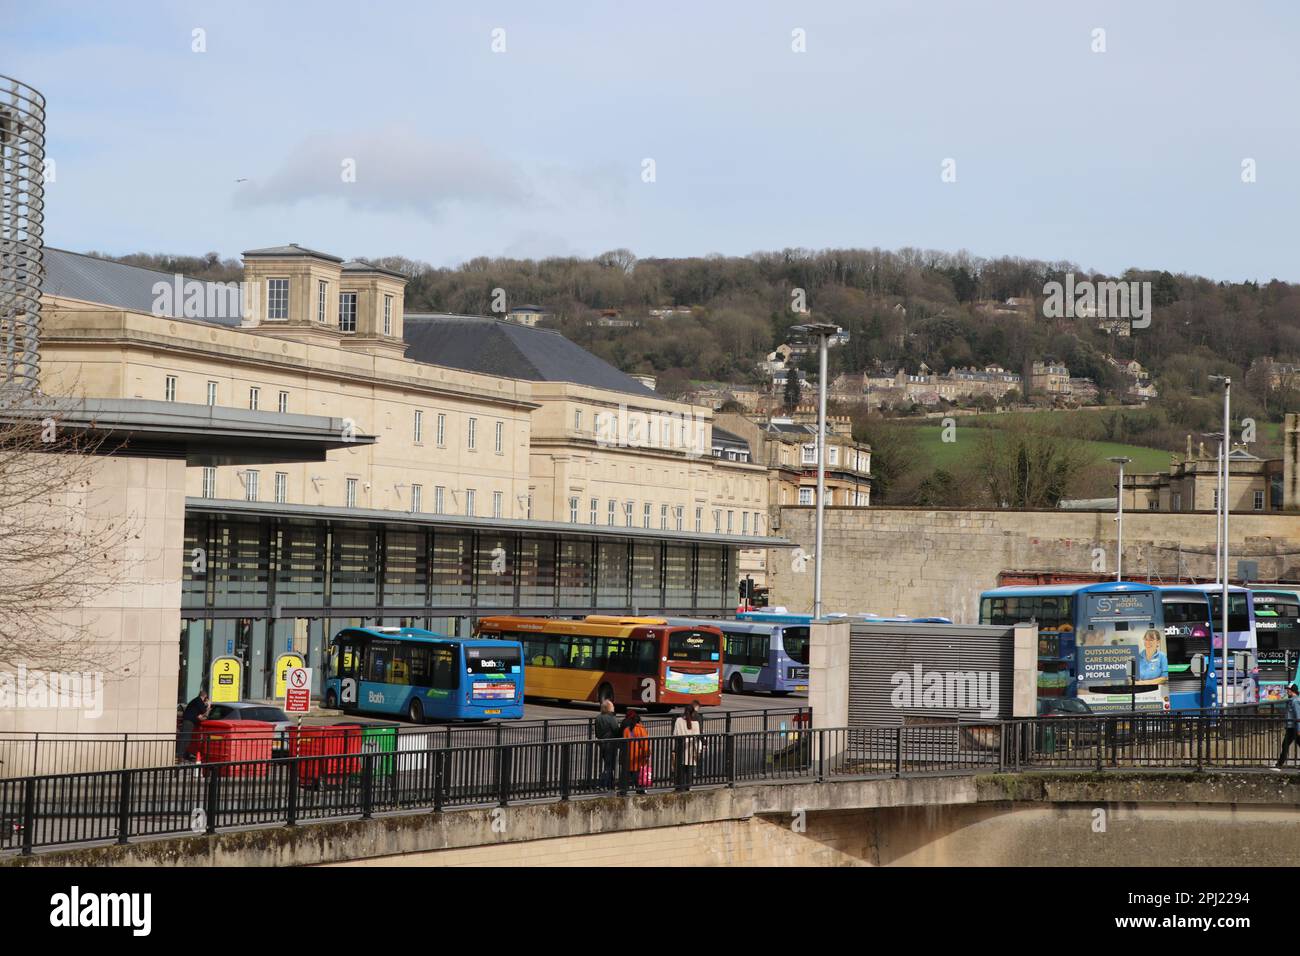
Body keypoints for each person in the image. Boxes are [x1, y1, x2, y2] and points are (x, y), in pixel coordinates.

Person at [673, 701, 704, 792]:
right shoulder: (696, 724)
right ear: (693, 712)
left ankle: (679, 785)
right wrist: (698, 750)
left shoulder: (678, 721)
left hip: (680, 746)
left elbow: (675, 734)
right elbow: (697, 737)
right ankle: (688, 786)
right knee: (689, 768)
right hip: (691, 748)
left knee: (680, 767)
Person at [594, 699, 621, 792]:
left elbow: (597, 733)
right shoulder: (612, 718)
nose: (614, 707)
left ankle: (610, 784)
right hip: (611, 744)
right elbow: (616, 731)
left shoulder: (598, 718)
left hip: (602, 743)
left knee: (607, 763)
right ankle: (603, 783)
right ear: (609, 708)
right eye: (612, 706)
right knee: (610, 765)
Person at [620, 708, 650, 794]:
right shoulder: (641, 729)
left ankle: (623, 790)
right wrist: (647, 754)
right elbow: (645, 745)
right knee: (637, 774)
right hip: (638, 757)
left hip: (627, 756)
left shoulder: (627, 730)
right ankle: (639, 789)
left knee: (626, 774)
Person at [177, 689, 209, 761]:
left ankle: (182, 755)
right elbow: (205, 713)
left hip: (188, 721)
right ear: (205, 696)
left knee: (185, 738)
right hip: (189, 722)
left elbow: (198, 713)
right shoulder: (199, 701)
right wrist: (209, 705)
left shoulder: (196, 700)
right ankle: (180, 756)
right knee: (185, 738)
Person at [1276, 684, 1300, 770]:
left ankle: (1280, 763)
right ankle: (1280, 763)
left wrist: (1299, 729)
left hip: (1293, 728)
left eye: (1288, 690)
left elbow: (1298, 716)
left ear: (1292, 690)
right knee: (1285, 745)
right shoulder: (1292, 700)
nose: (1287, 691)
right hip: (1292, 727)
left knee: (1285, 745)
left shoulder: (1295, 701)